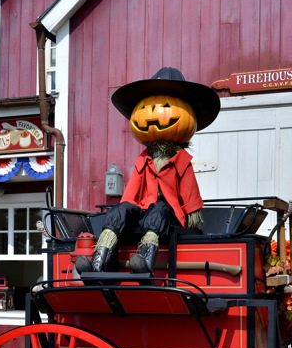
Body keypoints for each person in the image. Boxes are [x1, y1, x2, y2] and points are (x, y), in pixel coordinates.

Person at [76, 67, 221, 274]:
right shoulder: (143, 160)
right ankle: (98, 263)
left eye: (166, 107)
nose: (153, 114)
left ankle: (146, 260)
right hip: (142, 209)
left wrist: (193, 221)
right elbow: (130, 195)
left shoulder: (181, 161)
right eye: (146, 107)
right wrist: (124, 210)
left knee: (159, 209)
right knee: (120, 210)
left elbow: (189, 194)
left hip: (168, 212)